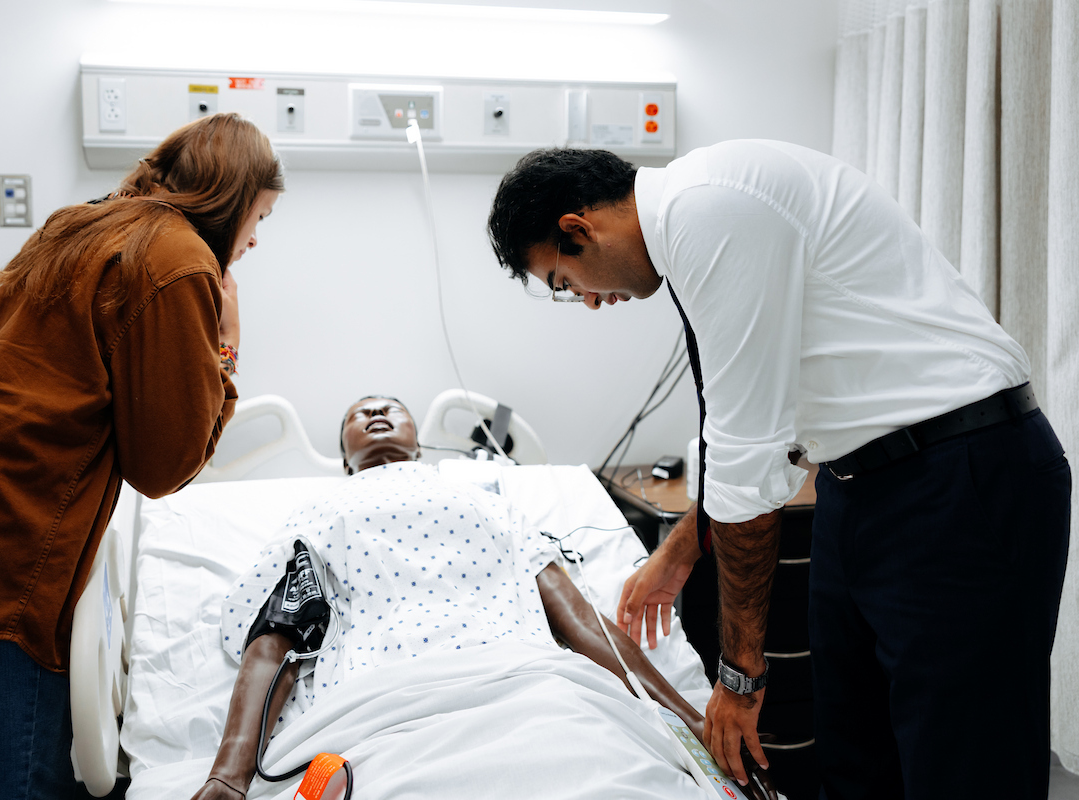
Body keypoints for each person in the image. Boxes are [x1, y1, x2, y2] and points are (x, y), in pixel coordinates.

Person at [485, 142, 1071, 799]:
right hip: (861, 488)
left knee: (963, 762)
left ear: (578, 229)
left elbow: (744, 451)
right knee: (854, 756)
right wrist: (681, 549)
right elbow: (761, 416)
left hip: (962, 477)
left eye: (566, 284)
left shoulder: (708, 211)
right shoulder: (694, 222)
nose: (590, 302)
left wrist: (739, 678)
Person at [0, 112, 283, 800]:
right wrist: (226, 344)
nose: (254, 241)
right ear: (234, 199)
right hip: (0, 560)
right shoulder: (180, 259)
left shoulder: (79, 224)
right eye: (261, 218)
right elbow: (163, 467)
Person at [192, 396, 776, 800]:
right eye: (357, 413)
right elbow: (273, 640)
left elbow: (580, 621)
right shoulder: (319, 515)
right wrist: (229, 776)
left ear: (418, 443)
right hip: (382, 712)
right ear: (344, 457)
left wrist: (689, 719)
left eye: (389, 407)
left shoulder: (492, 504)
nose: (373, 412)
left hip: (533, 691)